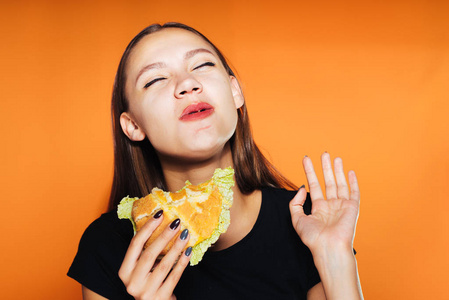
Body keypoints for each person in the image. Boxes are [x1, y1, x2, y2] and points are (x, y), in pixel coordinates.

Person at [68, 22, 363, 300]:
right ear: (133, 125)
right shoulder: (107, 247)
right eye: (156, 79)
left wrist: (337, 259)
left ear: (235, 92)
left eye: (202, 65)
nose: (187, 84)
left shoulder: (309, 223)